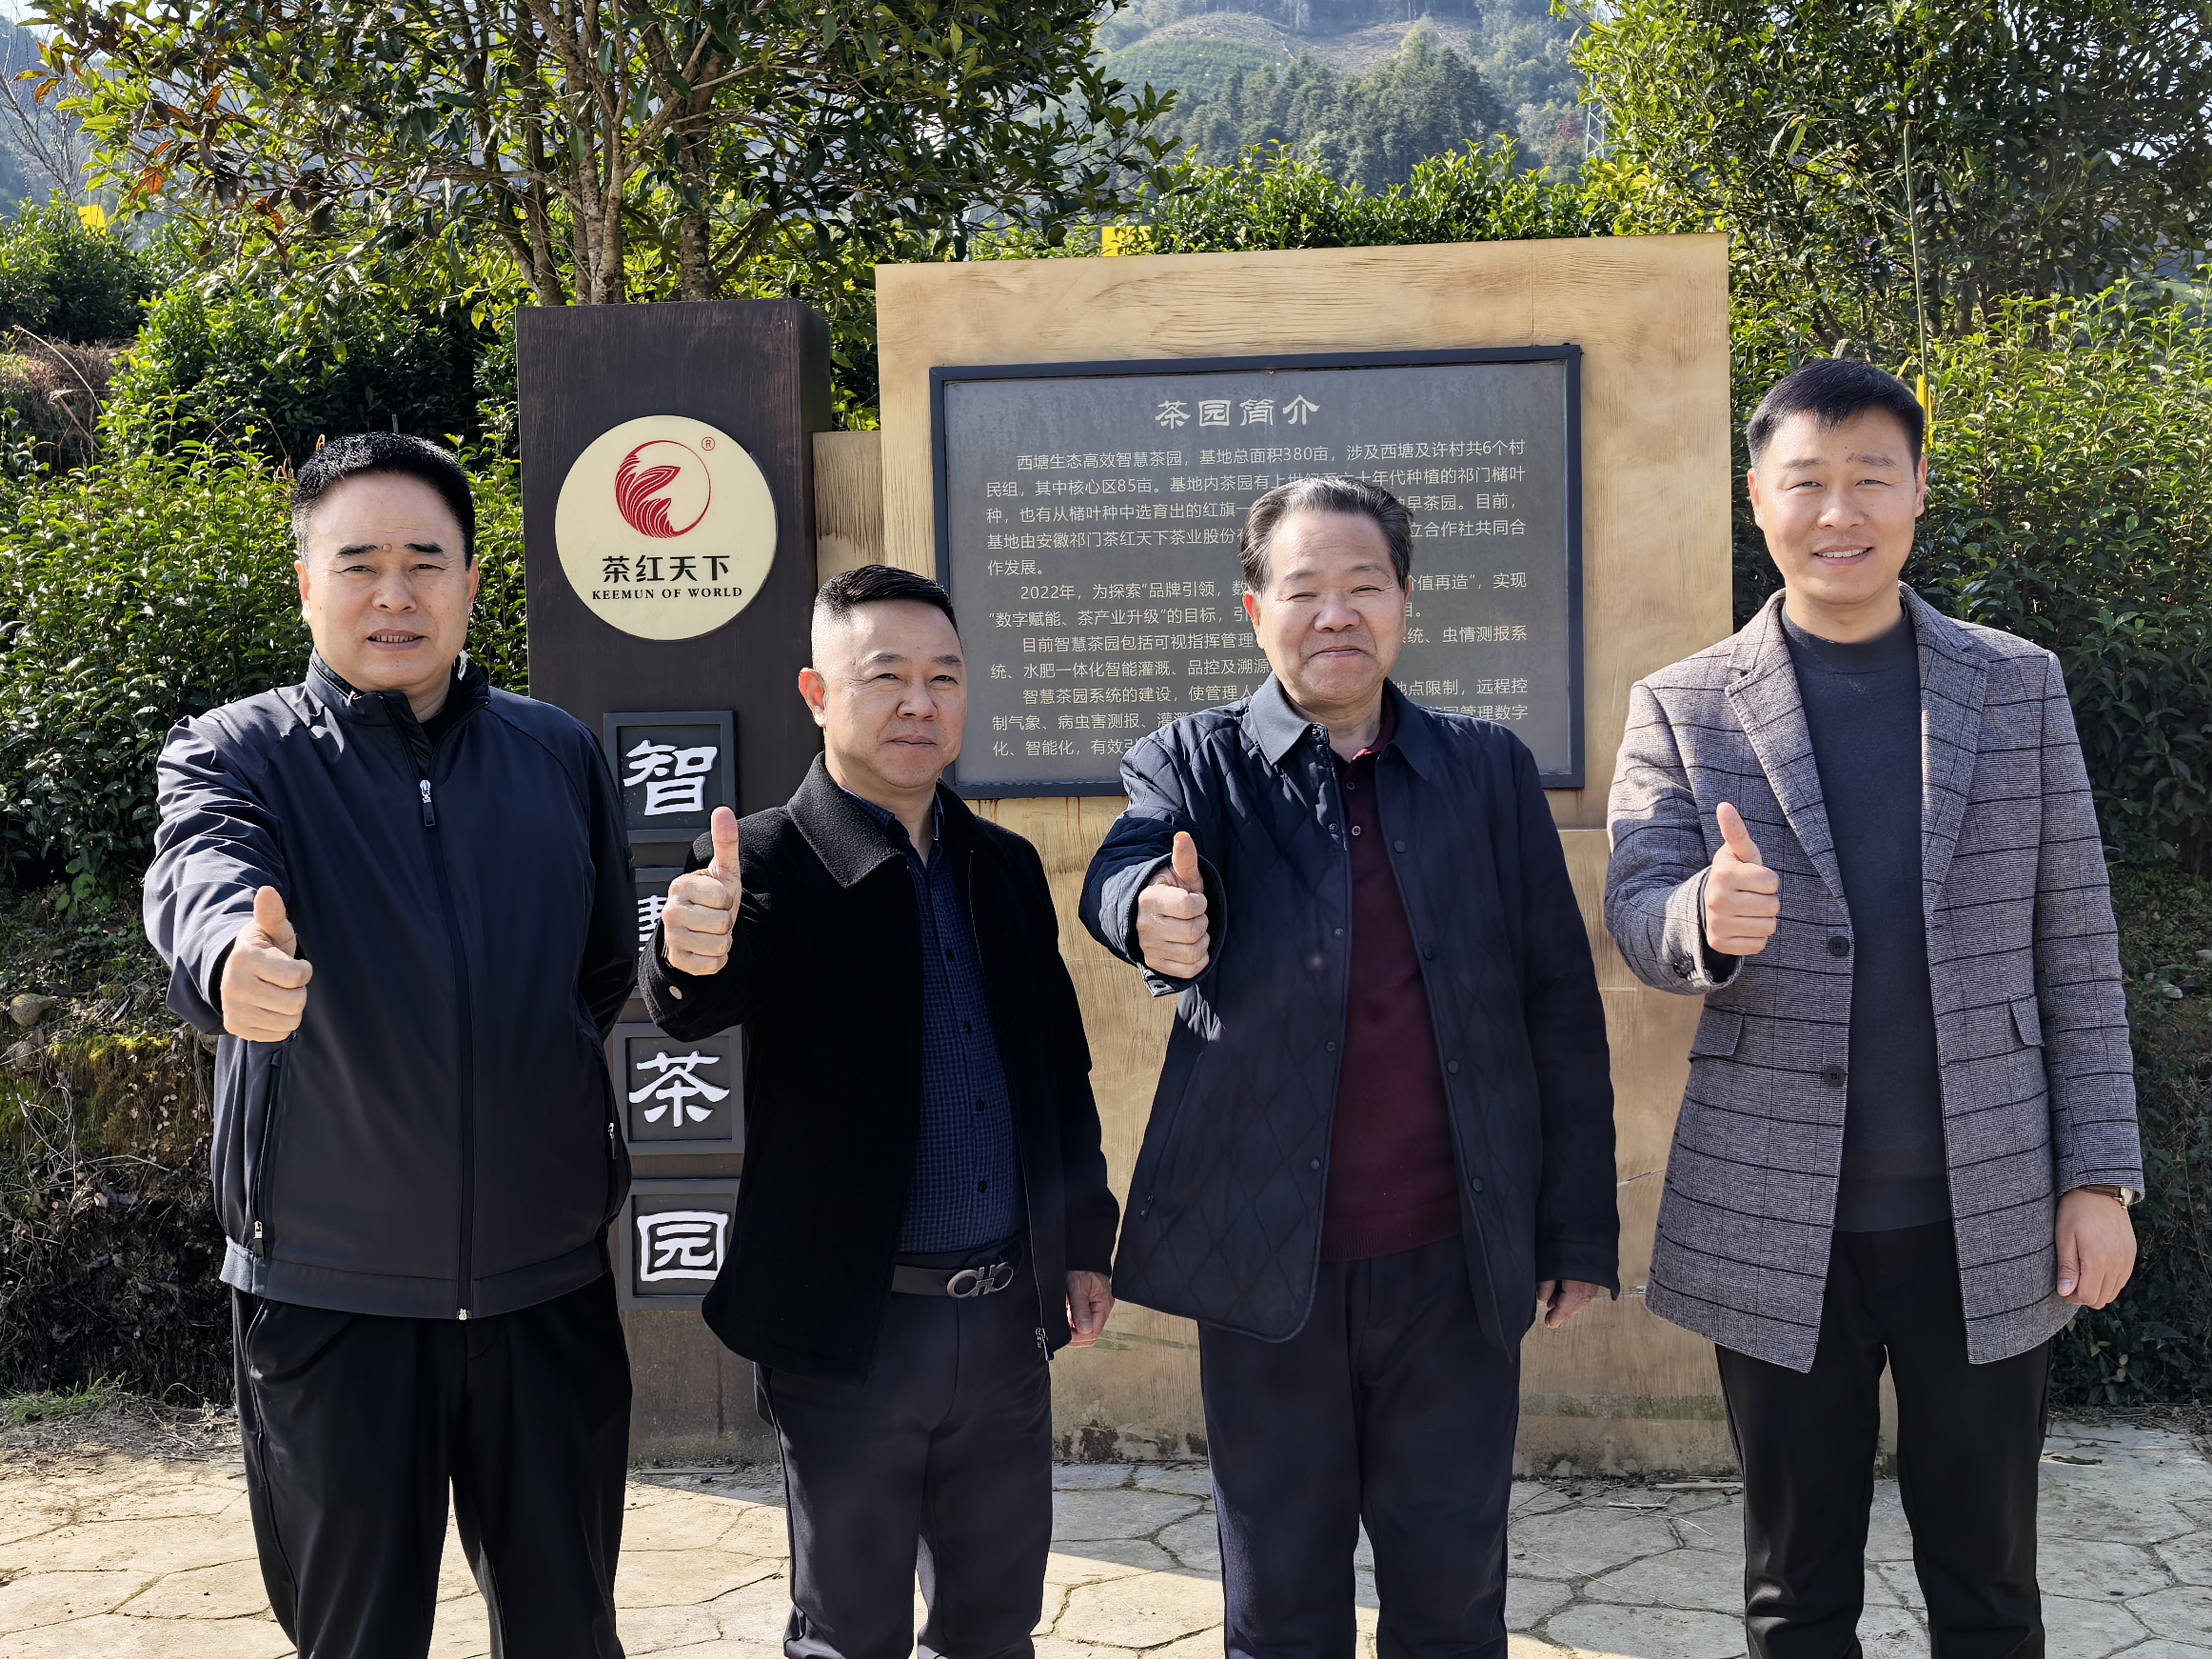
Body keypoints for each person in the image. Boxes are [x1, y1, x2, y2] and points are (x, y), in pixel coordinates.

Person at [1604, 357, 2143, 1657]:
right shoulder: (1683, 702)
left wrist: (2098, 1179)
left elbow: (2074, 941)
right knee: (1793, 1594)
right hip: (1773, 1212)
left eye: (1868, 479)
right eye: (1804, 482)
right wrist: (1700, 920)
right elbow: (1636, 902)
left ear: (1915, 491)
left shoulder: (2013, 684)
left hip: (1987, 1206)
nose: (1835, 512)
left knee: (1989, 1587)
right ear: (1756, 497)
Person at [1078, 477, 1618, 1659]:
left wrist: (1576, 1232)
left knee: (1452, 1596)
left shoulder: (1486, 771)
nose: (1336, 614)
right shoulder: (1192, 762)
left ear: (1404, 602)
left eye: (1364, 585)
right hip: (1269, 1267)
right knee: (1280, 1604)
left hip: (1452, 1263)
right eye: (1303, 589)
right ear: (1254, 609)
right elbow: (1123, 868)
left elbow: (1558, 1009)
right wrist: (1149, 912)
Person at [144, 434, 637, 1657]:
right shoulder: (237, 753)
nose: (394, 594)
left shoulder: (556, 754)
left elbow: (594, 976)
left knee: (571, 1631)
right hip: (332, 1298)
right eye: (359, 563)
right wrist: (231, 960)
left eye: (425, 563)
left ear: (471, 582)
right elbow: (201, 873)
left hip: (546, 1291)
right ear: (305, 581)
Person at [639, 563, 1117, 1659]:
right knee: (849, 1632)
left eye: (944, 678)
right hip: (849, 1332)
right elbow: (693, 997)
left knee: (995, 1624)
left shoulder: (1003, 866)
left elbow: (1060, 1069)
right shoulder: (765, 860)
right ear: (818, 694)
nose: (919, 703)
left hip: (1002, 1324)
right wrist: (685, 948)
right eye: (886, 676)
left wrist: (1084, 1239)